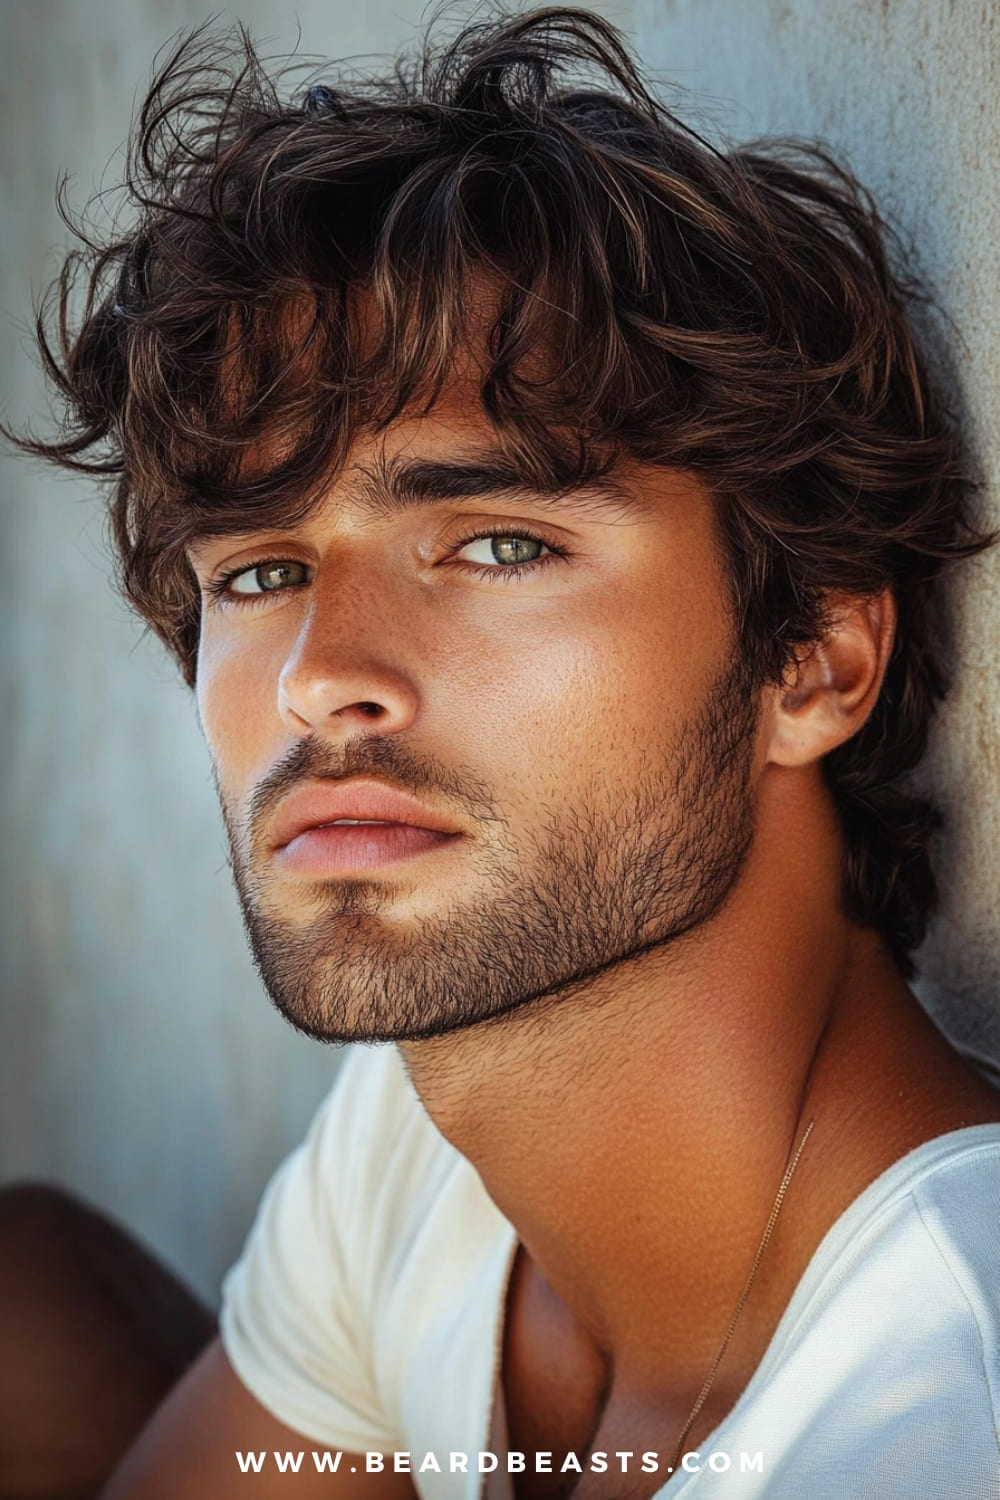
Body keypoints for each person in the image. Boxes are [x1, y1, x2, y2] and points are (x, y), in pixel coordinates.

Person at [3, 7, 999, 1498]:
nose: (324, 679)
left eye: (496, 542)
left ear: (814, 660)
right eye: (262, 572)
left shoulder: (929, 1419)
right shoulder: (418, 1135)